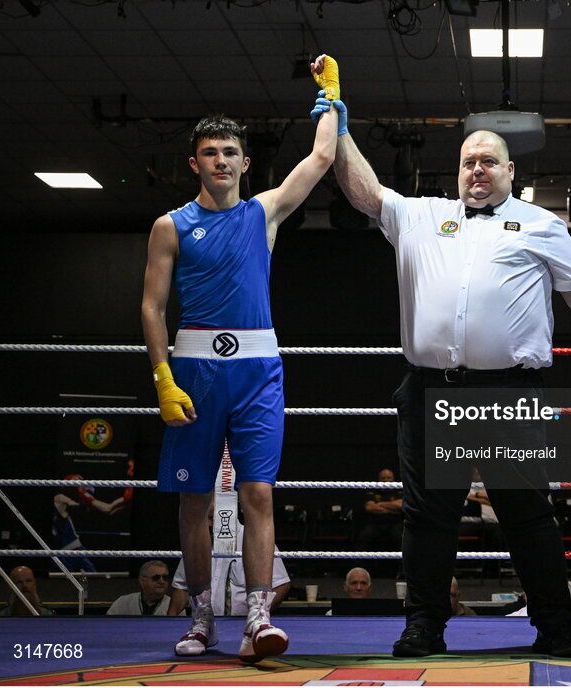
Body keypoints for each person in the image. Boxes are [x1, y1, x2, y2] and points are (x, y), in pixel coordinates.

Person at [326, 107, 571, 658]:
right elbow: (364, 192)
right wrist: (339, 129)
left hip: (508, 390)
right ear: (457, 170)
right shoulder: (421, 216)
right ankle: (424, 626)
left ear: (510, 170)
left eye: (488, 161)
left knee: (526, 513)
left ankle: (556, 627)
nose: (477, 169)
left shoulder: (542, 224)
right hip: (433, 389)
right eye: (468, 161)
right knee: (429, 517)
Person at [140, 55, 340, 662]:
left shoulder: (265, 211)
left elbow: (322, 158)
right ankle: (202, 619)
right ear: (195, 162)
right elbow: (151, 308)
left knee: (257, 494)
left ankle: (257, 618)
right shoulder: (170, 226)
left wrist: (330, 95)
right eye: (210, 153)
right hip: (194, 369)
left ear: (244, 162)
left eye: (230, 152)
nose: (221, 162)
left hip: (258, 370)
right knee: (194, 500)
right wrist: (162, 378)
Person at [168, 503, 291, 616]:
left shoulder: (255, 540)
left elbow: (281, 585)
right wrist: (168, 622)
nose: (207, 524)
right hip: (203, 621)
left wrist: (257, 614)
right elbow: (182, 587)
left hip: (242, 622)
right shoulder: (197, 542)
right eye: (204, 518)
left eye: (212, 519)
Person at [52, 474, 125, 573]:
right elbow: (73, 505)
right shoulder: (60, 498)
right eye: (77, 482)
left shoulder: (73, 501)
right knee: (64, 581)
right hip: (61, 551)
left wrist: (85, 497)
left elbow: (107, 509)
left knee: (92, 575)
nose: (79, 483)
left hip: (75, 547)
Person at [356, 468, 404, 574]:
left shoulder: (399, 489)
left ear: (393, 479)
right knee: (364, 536)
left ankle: (402, 571)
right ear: (379, 480)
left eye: (388, 478)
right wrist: (392, 508)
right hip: (375, 524)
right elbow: (369, 508)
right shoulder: (373, 490)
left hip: (394, 524)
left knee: (402, 539)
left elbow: (401, 506)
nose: (386, 480)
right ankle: (361, 570)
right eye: (383, 478)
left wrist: (380, 504)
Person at [108, 560, 173, 616]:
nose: (162, 581)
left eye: (165, 577)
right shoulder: (123, 602)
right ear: (142, 581)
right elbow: (107, 626)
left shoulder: (174, 605)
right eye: (156, 577)